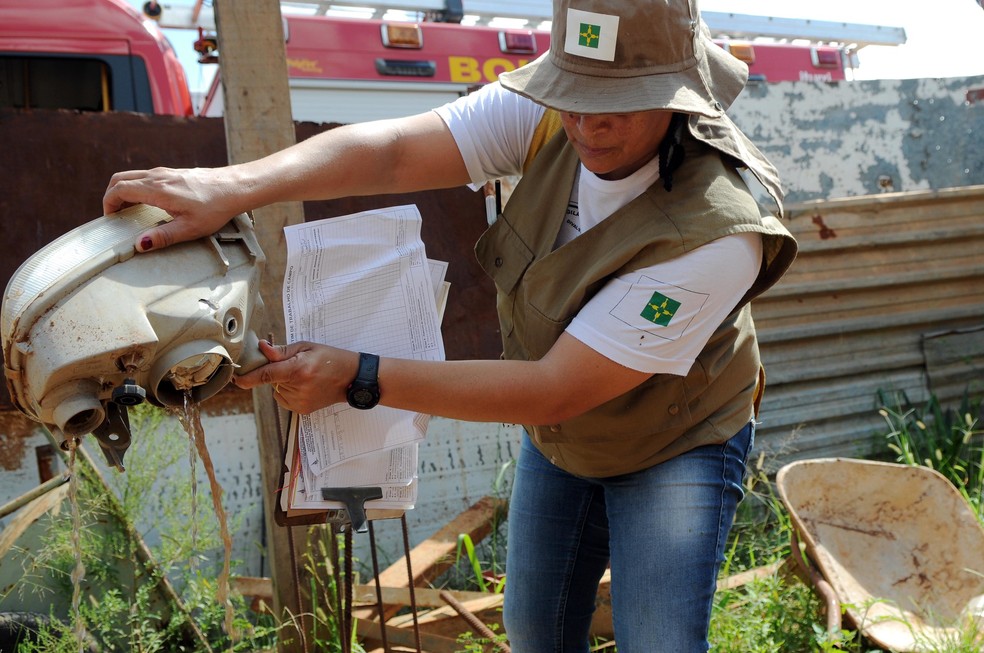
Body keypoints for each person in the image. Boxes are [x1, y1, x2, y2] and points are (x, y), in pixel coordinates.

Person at [103, 0, 797, 649]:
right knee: (536, 630)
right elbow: (394, 152)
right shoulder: (546, 117)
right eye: (575, 97)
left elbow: (554, 388)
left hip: (674, 438)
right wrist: (234, 185)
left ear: (677, 93)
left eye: (615, 105)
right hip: (565, 439)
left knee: (659, 638)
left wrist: (358, 376)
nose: (588, 125)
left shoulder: (719, 232)